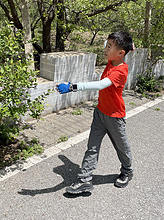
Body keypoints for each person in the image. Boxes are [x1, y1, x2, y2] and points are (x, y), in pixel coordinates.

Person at [56, 31, 134, 194]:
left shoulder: (121, 71)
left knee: (121, 147)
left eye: (110, 46)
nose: (105, 48)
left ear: (121, 53)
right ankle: (84, 180)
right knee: (92, 147)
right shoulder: (113, 60)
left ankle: (127, 171)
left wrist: (72, 87)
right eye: (107, 44)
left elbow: (100, 85)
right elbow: (128, 48)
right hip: (100, 113)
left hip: (115, 117)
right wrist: (130, 47)